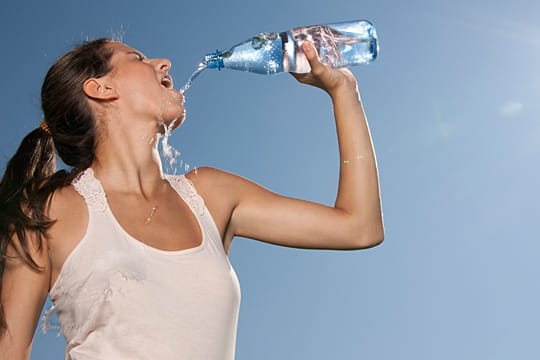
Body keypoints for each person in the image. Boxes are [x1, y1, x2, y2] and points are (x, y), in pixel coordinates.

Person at [0, 37, 383, 359]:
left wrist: (343, 90)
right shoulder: (49, 210)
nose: (163, 63)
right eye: (136, 58)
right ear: (101, 88)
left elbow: (358, 226)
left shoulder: (212, 196)